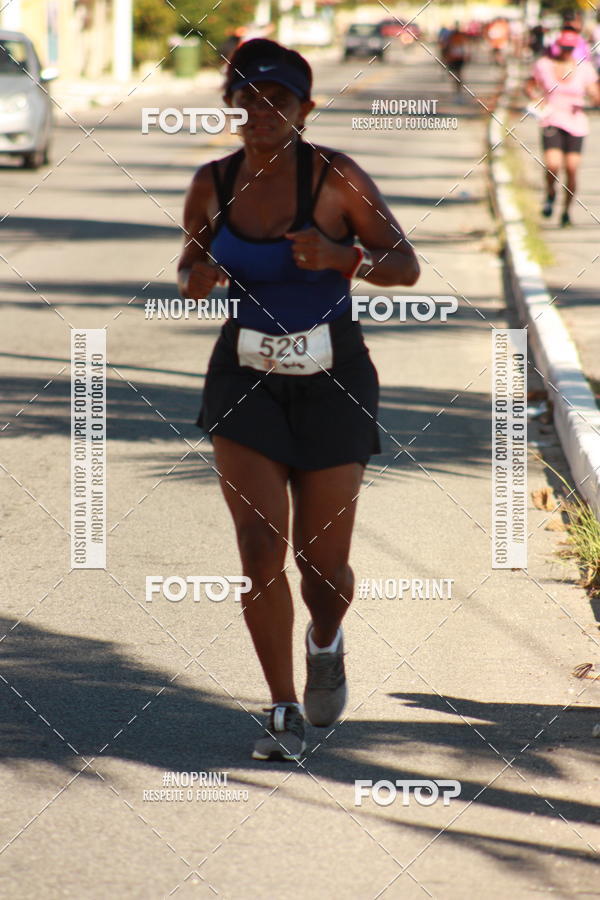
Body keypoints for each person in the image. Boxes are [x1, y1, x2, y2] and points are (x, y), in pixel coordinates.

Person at [177, 39, 420, 761]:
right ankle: (282, 708)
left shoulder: (337, 178)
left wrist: (344, 257)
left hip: (333, 379)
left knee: (323, 567)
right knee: (259, 551)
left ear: (304, 110)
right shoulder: (212, 183)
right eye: (246, 98)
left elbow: (404, 265)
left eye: (276, 100)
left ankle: (326, 640)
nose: (260, 111)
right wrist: (195, 278)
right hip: (243, 377)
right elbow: (191, 259)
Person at [525, 29, 600, 226]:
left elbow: (595, 93)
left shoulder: (585, 69)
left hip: (576, 124)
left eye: (570, 48)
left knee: (572, 169)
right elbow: (530, 85)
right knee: (552, 165)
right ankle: (550, 194)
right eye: (563, 47)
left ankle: (566, 212)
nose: (566, 51)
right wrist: (535, 99)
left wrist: (593, 98)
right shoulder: (544, 65)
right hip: (552, 120)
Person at [441, 22, 470, 96]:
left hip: (459, 58)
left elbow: (466, 47)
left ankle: (458, 90)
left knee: (458, 74)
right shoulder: (451, 38)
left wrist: (467, 56)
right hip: (453, 59)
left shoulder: (461, 37)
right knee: (456, 74)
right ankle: (457, 89)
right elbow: (446, 48)